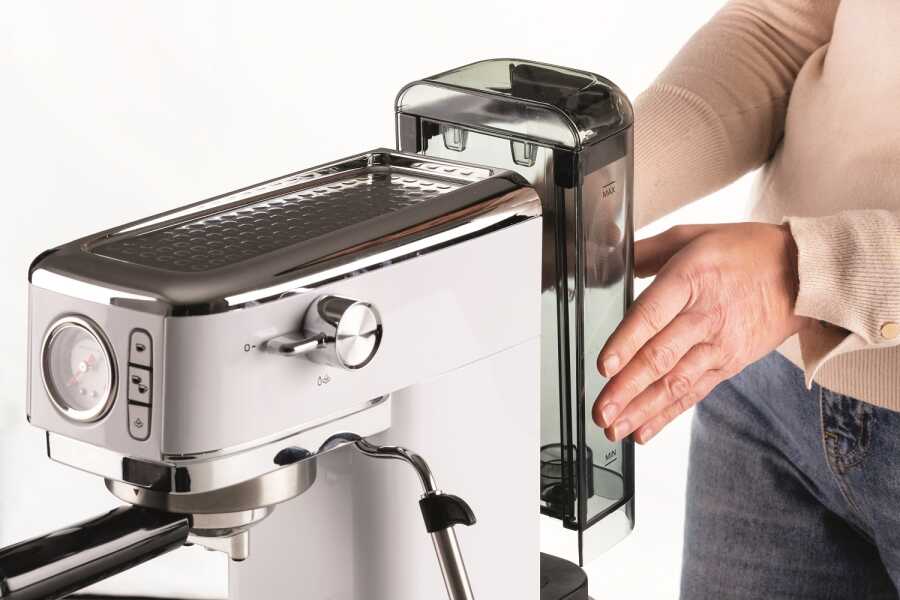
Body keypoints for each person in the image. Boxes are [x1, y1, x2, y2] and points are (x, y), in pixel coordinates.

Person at [590, 1, 900, 597]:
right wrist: (598, 191)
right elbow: (781, 27)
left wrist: (805, 272)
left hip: (784, 299)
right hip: (768, 383)